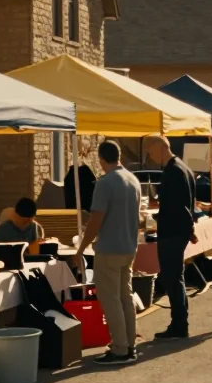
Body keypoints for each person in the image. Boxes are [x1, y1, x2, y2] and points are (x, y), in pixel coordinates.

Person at [75, 141, 142, 365]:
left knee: (110, 298)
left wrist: (82, 247)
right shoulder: (133, 180)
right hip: (129, 247)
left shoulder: (105, 183)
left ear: (102, 159)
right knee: (125, 296)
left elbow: (96, 219)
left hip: (109, 249)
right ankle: (129, 343)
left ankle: (120, 347)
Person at [147, 136, 198, 339]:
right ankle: (179, 322)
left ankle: (179, 324)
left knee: (172, 278)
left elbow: (178, 206)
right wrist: (190, 228)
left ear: (161, 149)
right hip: (178, 230)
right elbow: (186, 203)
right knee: (176, 277)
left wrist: (187, 227)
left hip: (172, 231)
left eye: (151, 152)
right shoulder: (184, 168)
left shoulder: (173, 171)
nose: (150, 157)